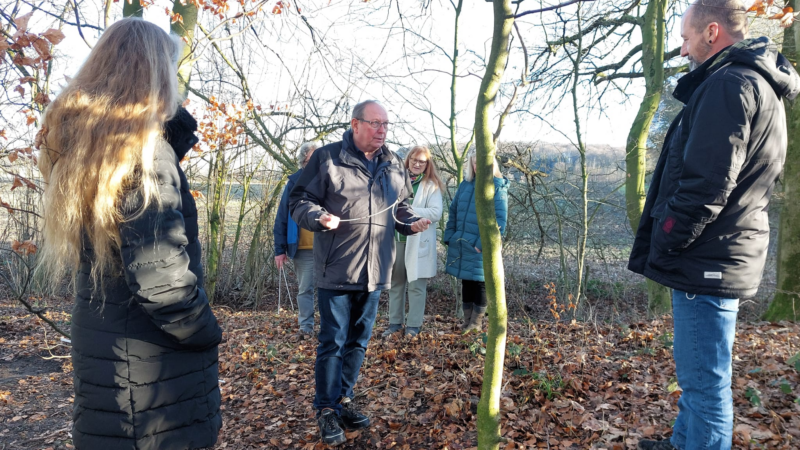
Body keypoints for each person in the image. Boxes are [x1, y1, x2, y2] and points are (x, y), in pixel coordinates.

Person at [36, 19, 222, 450]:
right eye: (170, 70)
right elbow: (163, 283)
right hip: (151, 366)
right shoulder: (143, 156)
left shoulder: (87, 146)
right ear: (153, 74)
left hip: (110, 349)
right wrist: (206, 330)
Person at [628, 2, 799, 449]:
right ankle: (680, 443)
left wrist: (666, 239)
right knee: (699, 374)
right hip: (720, 252)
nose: (682, 50)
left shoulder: (730, 85)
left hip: (707, 257)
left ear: (711, 32)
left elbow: (706, 185)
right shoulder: (755, 84)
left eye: (685, 38)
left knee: (705, 385)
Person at [288, 100, 431, 446]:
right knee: (333, 342)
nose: (382, 131)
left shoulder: (393, 163)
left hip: (376, 270)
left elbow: (400, 208)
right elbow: (299, 201)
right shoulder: (328, 158)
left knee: (358, 342)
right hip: (337, 268)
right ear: (355, 124)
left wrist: (411, 224)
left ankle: (344, 399)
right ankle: (325, 408)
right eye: (375, 124)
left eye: (386, 124)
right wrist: (318, 218)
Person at [443, 149, 509, 333]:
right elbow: (454, 210)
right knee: (467, 282)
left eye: (480, 162)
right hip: (462, 243)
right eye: (474, 162)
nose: (476, 166)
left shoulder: (497, 187)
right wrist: (450, 236)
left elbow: (500, 221)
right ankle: (467, 322)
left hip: (480, 246)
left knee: (480, 283)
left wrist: (482, 244)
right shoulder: (465, 185)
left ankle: (476, 324)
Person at [383, 146, 445, 338]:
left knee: (417, 286)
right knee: (396, 283)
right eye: (414, 160)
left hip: (418, 242)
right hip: (396, 240)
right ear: (408, 160)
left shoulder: (431, 185)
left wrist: (408, 209)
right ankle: (395, 323)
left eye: (422, 161)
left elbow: (436, 213)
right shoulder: (397, 181)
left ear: (427, 164)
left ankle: (414, 325)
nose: (417, 164)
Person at [274, 141, 320, 338]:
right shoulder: (293, 183)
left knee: (331, 291)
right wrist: (279, 249)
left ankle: (331, 326)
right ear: (303, 161)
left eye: (318, 158)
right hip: (302, 247)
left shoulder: (331, 180)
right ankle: (306, 327)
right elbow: (282, 216)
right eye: (310, 159)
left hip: (329, 247)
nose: (314, 162)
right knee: (305, 289)